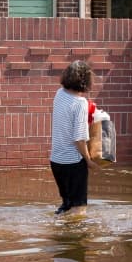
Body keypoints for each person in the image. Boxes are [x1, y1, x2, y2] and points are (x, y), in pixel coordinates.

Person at [50, 60, 102, 217]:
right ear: (86, 81)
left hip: (56, 160)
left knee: (67, 205)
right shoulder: (80, 103)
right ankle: (72, 240)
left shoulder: (59, 94)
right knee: (78, 210)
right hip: (73, 162)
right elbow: (79, 138)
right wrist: (89, 161)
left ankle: (59, 233)